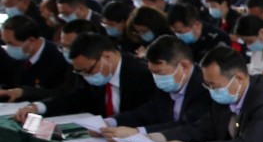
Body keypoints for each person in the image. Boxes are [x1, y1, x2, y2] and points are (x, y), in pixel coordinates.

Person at [13, 32, 157, 121]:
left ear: (106, 57)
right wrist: (38, 107)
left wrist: (114, 123)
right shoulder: (89, 71)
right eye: (80, 72)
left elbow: (147, 115)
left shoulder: (143, 75)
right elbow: (73, 99)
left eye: (88, 71)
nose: (85, 76)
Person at [101, 36, 212, 138]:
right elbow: (147, 112)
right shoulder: (167, 85)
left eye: (160, 72)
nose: (156, 78)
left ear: (184, 66)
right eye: (153, 73)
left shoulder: (206, 86)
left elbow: (188, 125)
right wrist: (110, 122)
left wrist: (138, 132)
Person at [0, 14, 69, 98]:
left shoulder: (58, 60)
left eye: (10, 43)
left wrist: (24, 92)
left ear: (31, 40)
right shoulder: (15, 57)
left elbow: (61, 94)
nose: (7, 47)